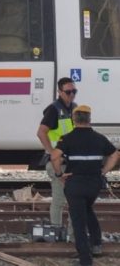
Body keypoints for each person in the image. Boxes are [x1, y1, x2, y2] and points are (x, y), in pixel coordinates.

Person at [51, 105, 120, 266]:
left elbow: (55, 157)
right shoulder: (99, 138)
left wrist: (59, 174)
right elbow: (115, 154)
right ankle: (96, 243)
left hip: (75, 184)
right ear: (89, 119)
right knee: (87, 209)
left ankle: (85, 260)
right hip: (94, 184)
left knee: (78, 222)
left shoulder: (67, 138)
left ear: (74, 119)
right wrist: (103, 171)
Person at [36, 76, 77, 235]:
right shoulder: (54, 109)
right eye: (68, 92)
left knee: (72, 201)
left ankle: (70, 235)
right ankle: (56, 232)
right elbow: (41, 132)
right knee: (59, 200)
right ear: (59, 92)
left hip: (70, 161)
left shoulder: (73, 108)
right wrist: (51, 152)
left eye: (74, 91)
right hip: (58, 162)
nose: (72, 95)